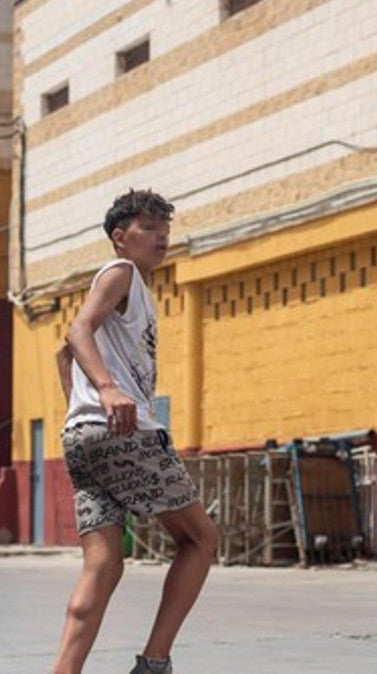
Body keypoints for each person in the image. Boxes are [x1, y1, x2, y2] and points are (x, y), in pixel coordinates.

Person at [52, 190, 218, 674]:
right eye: (149, 226)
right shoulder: (120, 273)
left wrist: (78, 410)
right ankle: (155, 662)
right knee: (201, 539)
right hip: (124, 432)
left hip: (83, 439)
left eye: (165, 226)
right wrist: (106, 389)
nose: (162, 235)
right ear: (120, 238)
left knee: (103, 565)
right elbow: (76, 332)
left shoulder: (132, 288)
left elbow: (63, 357)